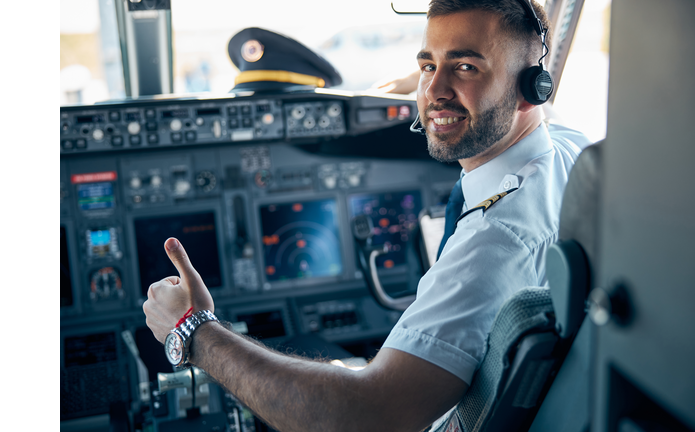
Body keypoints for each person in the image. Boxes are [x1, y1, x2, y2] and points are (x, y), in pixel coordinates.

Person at [143, 1, 590, 431]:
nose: (433, 93)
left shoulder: (494, 241)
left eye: (467, 67)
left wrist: (195, 331)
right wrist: (438, 80)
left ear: (531, 89)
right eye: (429, 65)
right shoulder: (573, 154)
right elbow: (492, 100)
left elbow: (365, 418)